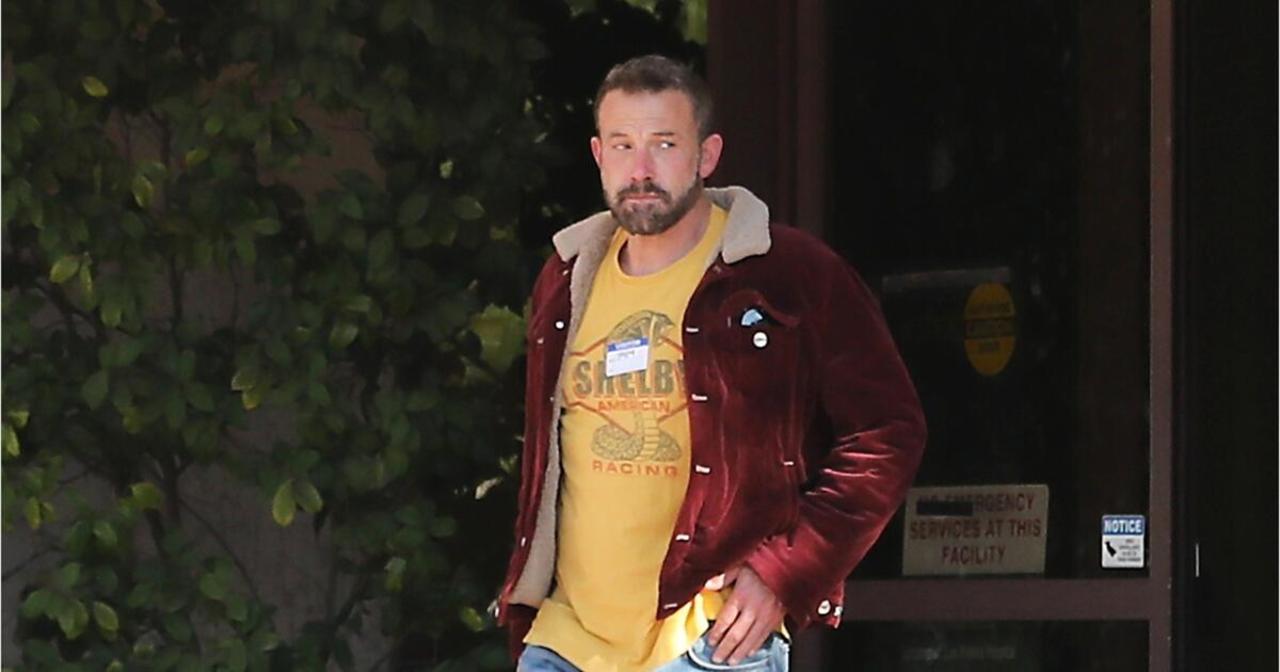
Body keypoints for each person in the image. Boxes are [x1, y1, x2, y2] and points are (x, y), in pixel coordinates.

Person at [495, 54, 926, 672]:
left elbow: (888, 432)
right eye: (622, 145)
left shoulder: (786, 271)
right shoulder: (566, 277)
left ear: (707, 154)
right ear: (597, 154)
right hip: (564, 641)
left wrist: (788, 570)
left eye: (665, 144)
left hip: (711, 641)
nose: (641, 170)